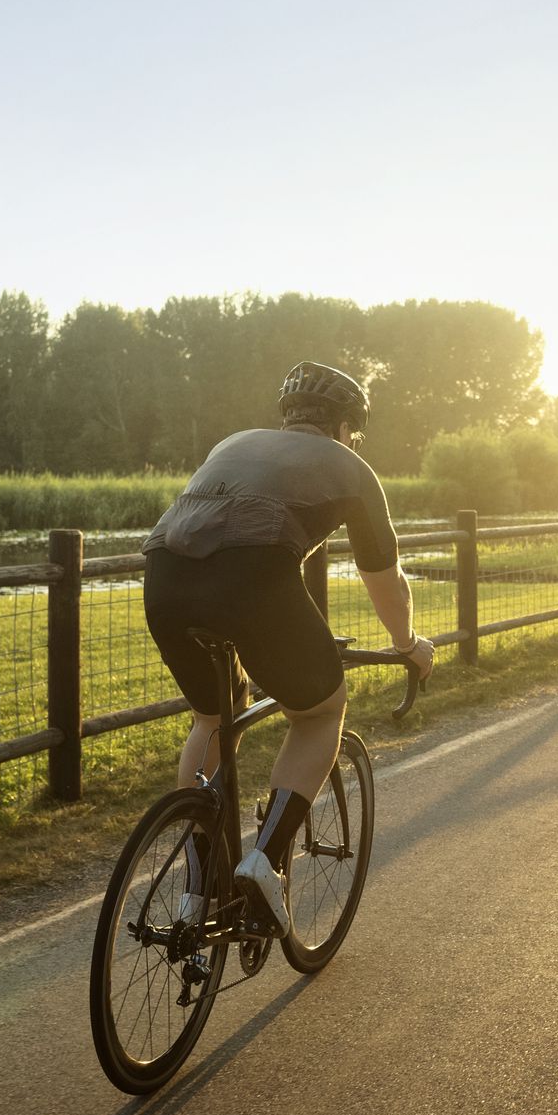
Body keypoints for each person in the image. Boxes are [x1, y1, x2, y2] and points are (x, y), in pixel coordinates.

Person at [142, 359, 434, 936]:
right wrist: (409, 645)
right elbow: (385, 580)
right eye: (356, 431)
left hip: (163, 577)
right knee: (321, 711)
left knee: (211, 717)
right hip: (252, 581)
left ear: (291, 416)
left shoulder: (235, 442)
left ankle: (195, 889)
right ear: (347, 426)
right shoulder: (350, 467)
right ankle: (264, 863)